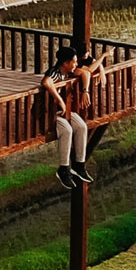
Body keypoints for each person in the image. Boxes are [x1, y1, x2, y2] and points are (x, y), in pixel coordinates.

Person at [42, 47, 92, 188]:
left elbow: (85, 73)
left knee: (81, 127)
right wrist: (60, 101)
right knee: (67, 131)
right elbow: (46, 82)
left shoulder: (68, 72)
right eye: (74, 62)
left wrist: (85, 91)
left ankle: (79, 165)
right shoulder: (54, 72)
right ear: (65, 63)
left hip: (62, 111)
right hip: (48, 112)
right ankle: (63, 168)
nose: (76, 64)